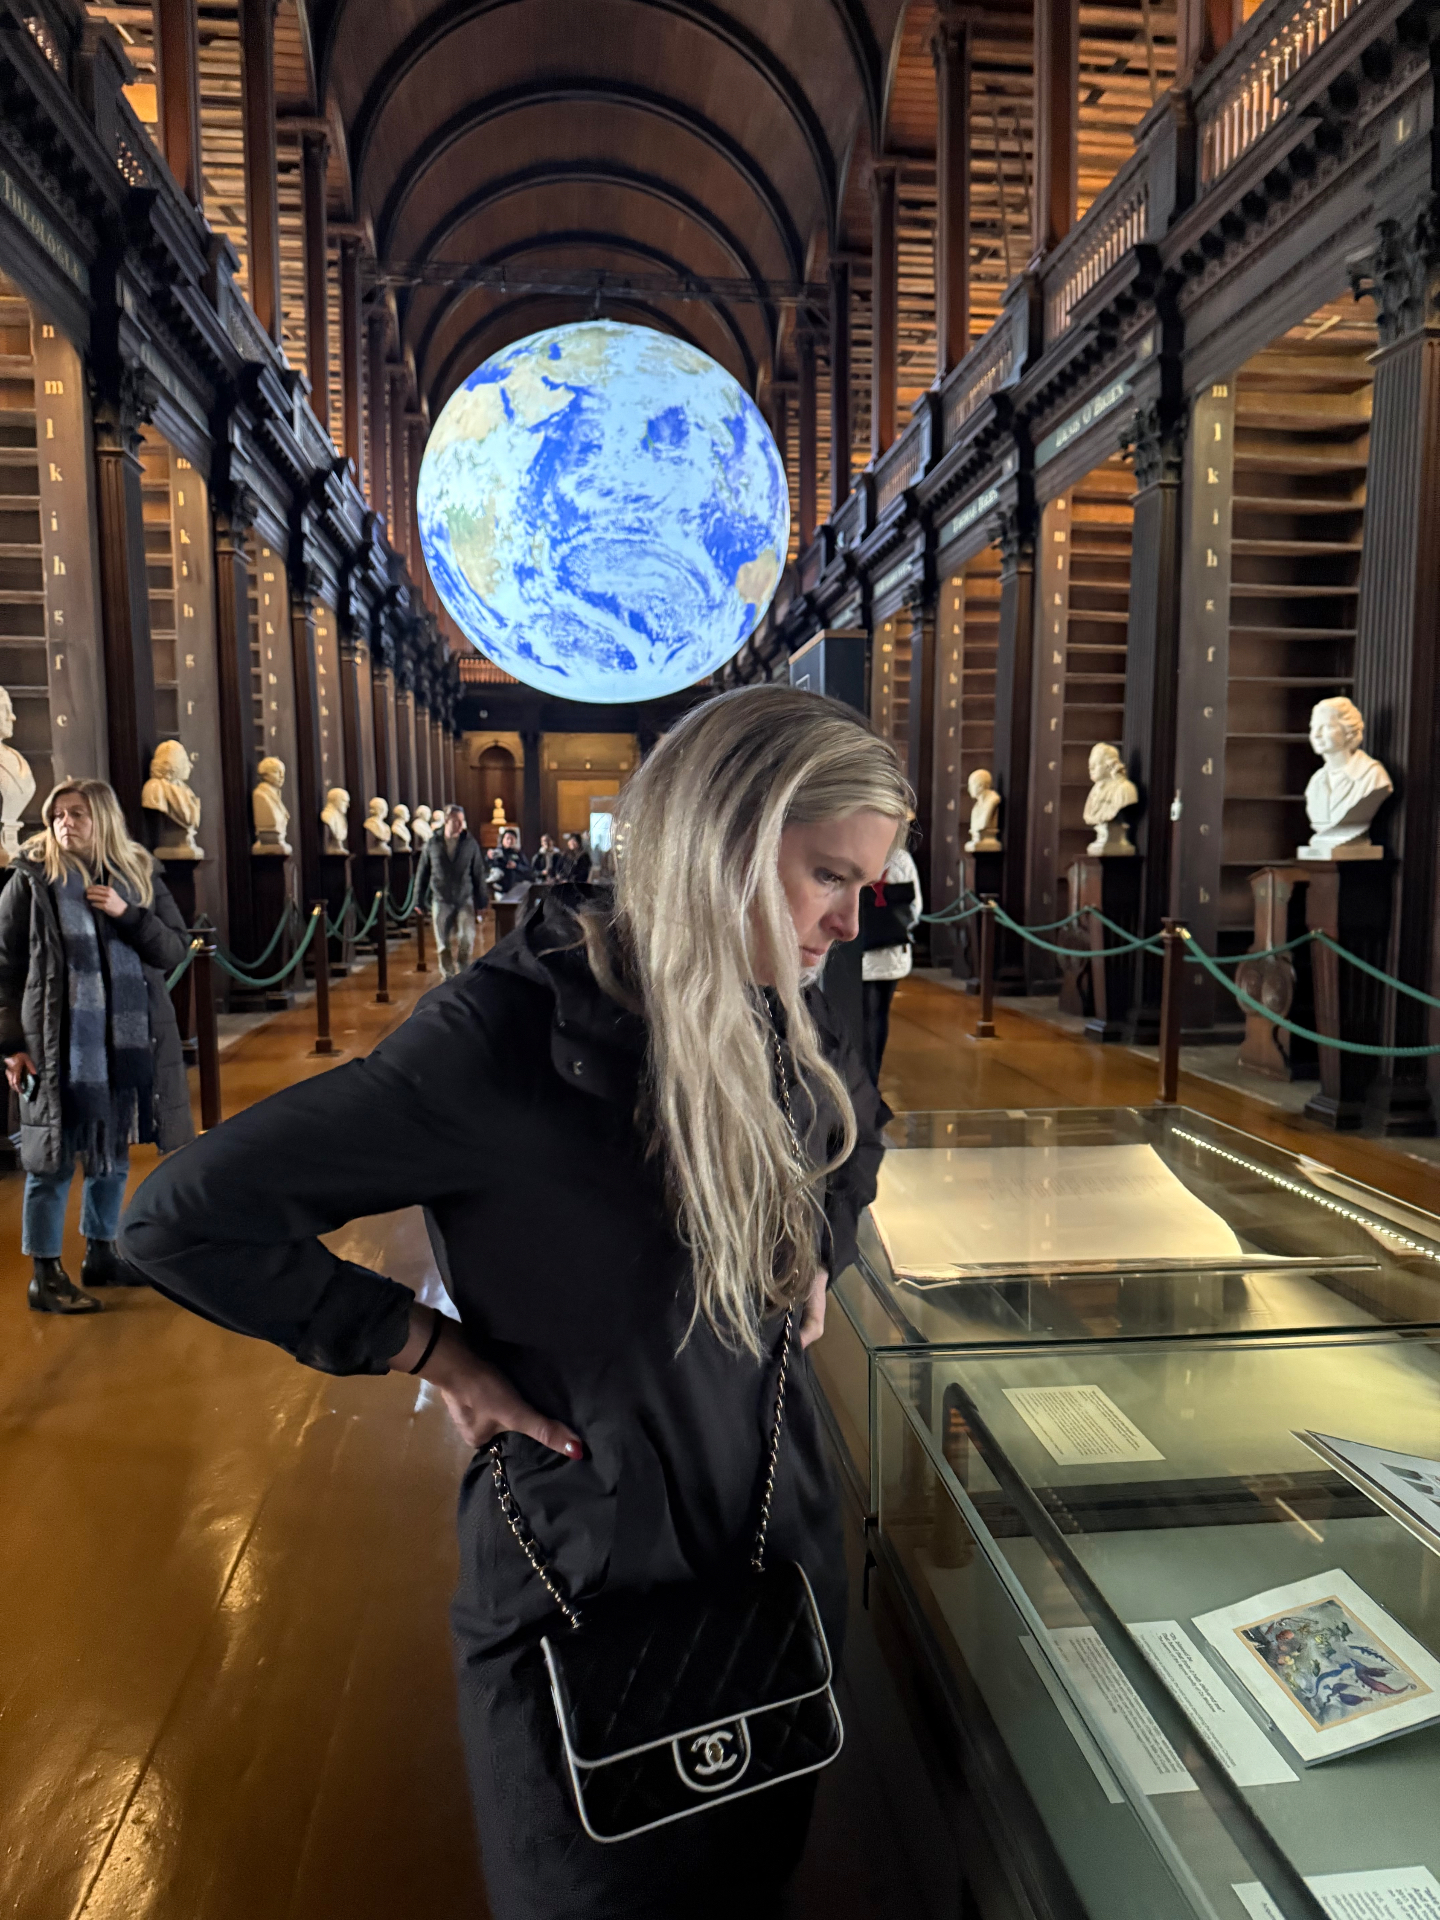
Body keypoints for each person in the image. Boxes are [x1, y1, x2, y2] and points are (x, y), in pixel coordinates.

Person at [121, 687, 910, 1920]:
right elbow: (183, 1214)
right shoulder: (502, 1037)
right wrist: (425, 1344)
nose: (848, 921)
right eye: (827, 877)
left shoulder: (784, 984)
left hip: (772, 1533)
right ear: (723, 841)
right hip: (580, 1572)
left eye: (867, 883)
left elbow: (856, 1130)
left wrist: (818, 1246)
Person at [0, 780, 193, 1313]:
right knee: (51, 1163)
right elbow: (5, 968)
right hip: (57, 1047)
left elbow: (174, 949)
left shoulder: (139, 874)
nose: (65, 823)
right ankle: (45, 1275)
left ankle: (101, 1253)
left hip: (123, 1044)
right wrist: (11, 1046)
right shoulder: (31, 878)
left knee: (111, 1154)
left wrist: (125, 913)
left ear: (102, 818)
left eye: (77, 814)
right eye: (57, 814)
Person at [860, 833, 922, 1086]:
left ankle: (863, 1074)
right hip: (893, 952)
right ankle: (874, 1074)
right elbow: (915, 908)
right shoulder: (901, 859)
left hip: (862, 951)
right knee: (881, 1015)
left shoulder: (860, 852)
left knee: (864, 1015)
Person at [416, 803, 489, 979]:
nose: (460, 825)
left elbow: (478, 873)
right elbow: (422, 872)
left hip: (464, 898)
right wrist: (418, 900)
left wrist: (482, 902)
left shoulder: (470, 844)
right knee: (443, 944)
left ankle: (463, 973)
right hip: (441, 898)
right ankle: (448, 977)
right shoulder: (433, 843)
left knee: (466, 938)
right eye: (456, 821)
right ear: (447, 820)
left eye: (462, 822)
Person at [486, 824, 533, 897]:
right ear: (503, 840)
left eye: (512, 839)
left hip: (516, 887)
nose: (509, 841)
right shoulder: (497, 852)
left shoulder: (518, 853)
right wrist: (490, 857)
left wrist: (516, 866)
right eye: (507, 839)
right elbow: (490, 865)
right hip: (501, 889)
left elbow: (528, 869)